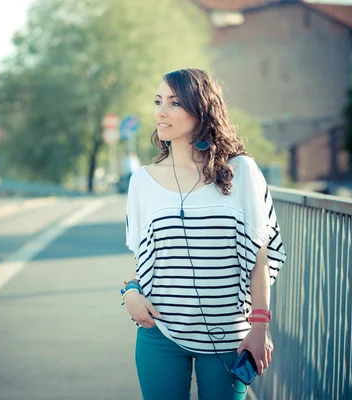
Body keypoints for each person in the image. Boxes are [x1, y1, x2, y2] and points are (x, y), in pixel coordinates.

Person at [122, 68, 286, 400]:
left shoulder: (241, 171)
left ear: (201, 110)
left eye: (174, 102)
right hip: (160, 333)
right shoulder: (142, 180)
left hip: (229, 336)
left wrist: (260, 326)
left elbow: (260, 256)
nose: (161, 112)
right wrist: (130, 291)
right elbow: (146, 259)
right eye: (158, 102)